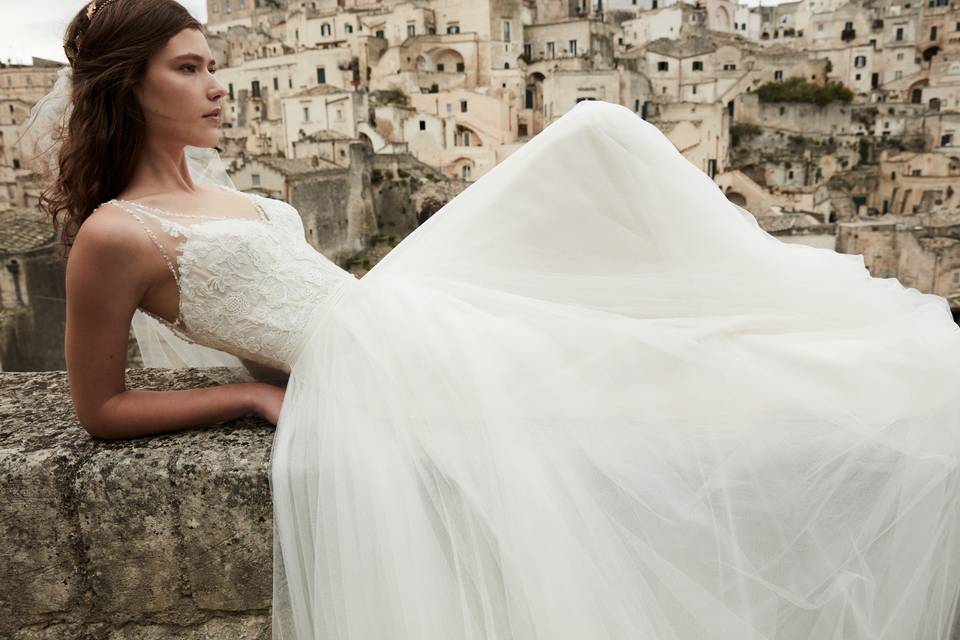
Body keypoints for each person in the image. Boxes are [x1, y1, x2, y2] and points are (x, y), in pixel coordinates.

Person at [23, 0, 960, 637]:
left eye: (215, 65)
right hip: (380, 366)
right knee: (627, 324)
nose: (220, 85)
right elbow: (100, 407)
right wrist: (245, 398)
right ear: (128, 87)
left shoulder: (225, 192)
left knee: (603, 139)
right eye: (190, 69)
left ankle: (773, 292)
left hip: (396, 313)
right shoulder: (115, 234)